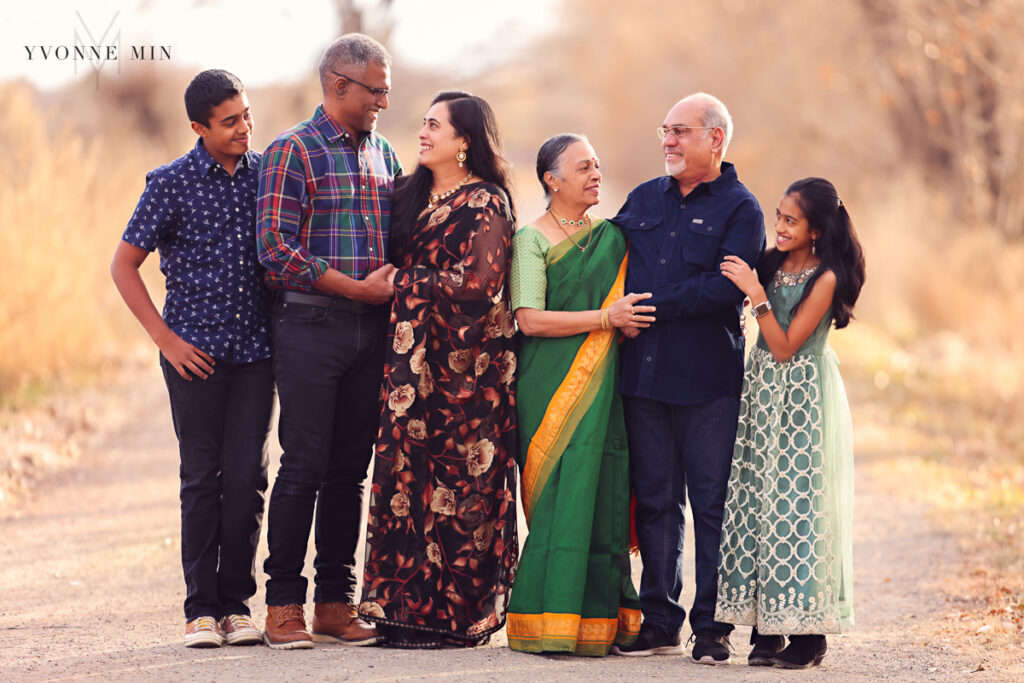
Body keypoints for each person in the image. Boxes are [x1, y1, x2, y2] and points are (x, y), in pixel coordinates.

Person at [110, 69, 272, 648]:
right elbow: (123, 266)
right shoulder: (170, 184)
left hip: (256, 353)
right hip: (192, 357)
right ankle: (200, 610)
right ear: (199, 127)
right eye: (229, 122)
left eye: (247, 115)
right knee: (202, 477)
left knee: (249, 478)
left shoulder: (267, 178)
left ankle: (237, 607)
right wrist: (167, 341)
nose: (244, 129)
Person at [358, 90, 519, 649]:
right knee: (408, 481)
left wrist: (403, 281)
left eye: (435, 125)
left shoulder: (486, 202)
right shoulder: (410, 192)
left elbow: (481, 284)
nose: (422, 133)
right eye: (423, 123)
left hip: (468, 372)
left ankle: (454, 618)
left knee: (462, 485)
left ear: (464, 141)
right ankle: (401, 613)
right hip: (409, 366)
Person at [256, 33, 401, 650]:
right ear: (339, 85)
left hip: (372, 331)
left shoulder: (384, 154)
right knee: (305, 463)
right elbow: (274, 248)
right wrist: (354, 289)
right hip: (311, 325)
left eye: (387, 92)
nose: (383, 104)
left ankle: (335, 604)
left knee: (351, 469)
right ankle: (283, 603)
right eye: (376, 91)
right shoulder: (292, 151)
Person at [609, 93, 766, 664]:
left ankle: (712, 626)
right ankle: (658, 621)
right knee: (653, 502)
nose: (668, 142)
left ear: (715, 139)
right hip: (643, 378)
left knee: (712, 505)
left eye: (680, 132)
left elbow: (724, 290)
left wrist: (648, 306)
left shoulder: (741, 209)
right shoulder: (644, 198)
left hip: (706, 383)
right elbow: (605, 258)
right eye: (665, 131)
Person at [504, 134, 654, 656]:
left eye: (598, 165)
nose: (596, 174)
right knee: (558, 499)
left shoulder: (612, 238)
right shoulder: (532, 240)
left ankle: (600, 622)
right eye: (584, 166)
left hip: (604, 390)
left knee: (603, 489)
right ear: (552, 179)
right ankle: (545, 620)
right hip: (548, 387)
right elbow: (529, 319)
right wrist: (605, 319)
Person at [715, 177, 865, 669]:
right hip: (763, 393)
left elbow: (784, 346)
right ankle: (767, 627)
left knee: (799, 505)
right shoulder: (773, 262)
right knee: (760, 501)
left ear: (817, 230)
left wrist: (755, 294)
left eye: (790, 221)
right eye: (777, 216)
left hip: (803, 395)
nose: (778, 227)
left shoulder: (826, 278)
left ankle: (809, 635)